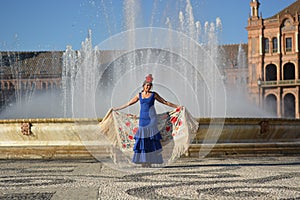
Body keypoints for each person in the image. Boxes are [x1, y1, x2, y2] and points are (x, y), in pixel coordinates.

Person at [113, 74, 180, 167]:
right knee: (143, 139)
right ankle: (143, 161)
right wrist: (117, 109)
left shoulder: (154, 94)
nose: (148, 87)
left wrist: (177, 107)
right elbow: (129, 103)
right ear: (143, 86)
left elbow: (165, 102)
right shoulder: (139, 95)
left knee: (151, 140)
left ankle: (150, 161)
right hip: (143, 119)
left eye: (149, 86)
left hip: (152, 118)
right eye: (146, 85)